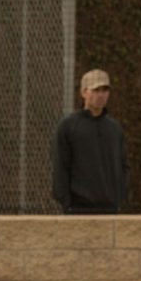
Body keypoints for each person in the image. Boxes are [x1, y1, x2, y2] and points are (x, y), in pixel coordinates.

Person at [52, 69, 128, 214]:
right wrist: (67, 204)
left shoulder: (114, 129)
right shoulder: (68, 127)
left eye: (105, 90)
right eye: (95, 90)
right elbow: (60, 166)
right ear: (83, 92)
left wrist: (119, 197)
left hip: (110, 209)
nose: (101, 95)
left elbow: (123, 165)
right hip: (78, 210)